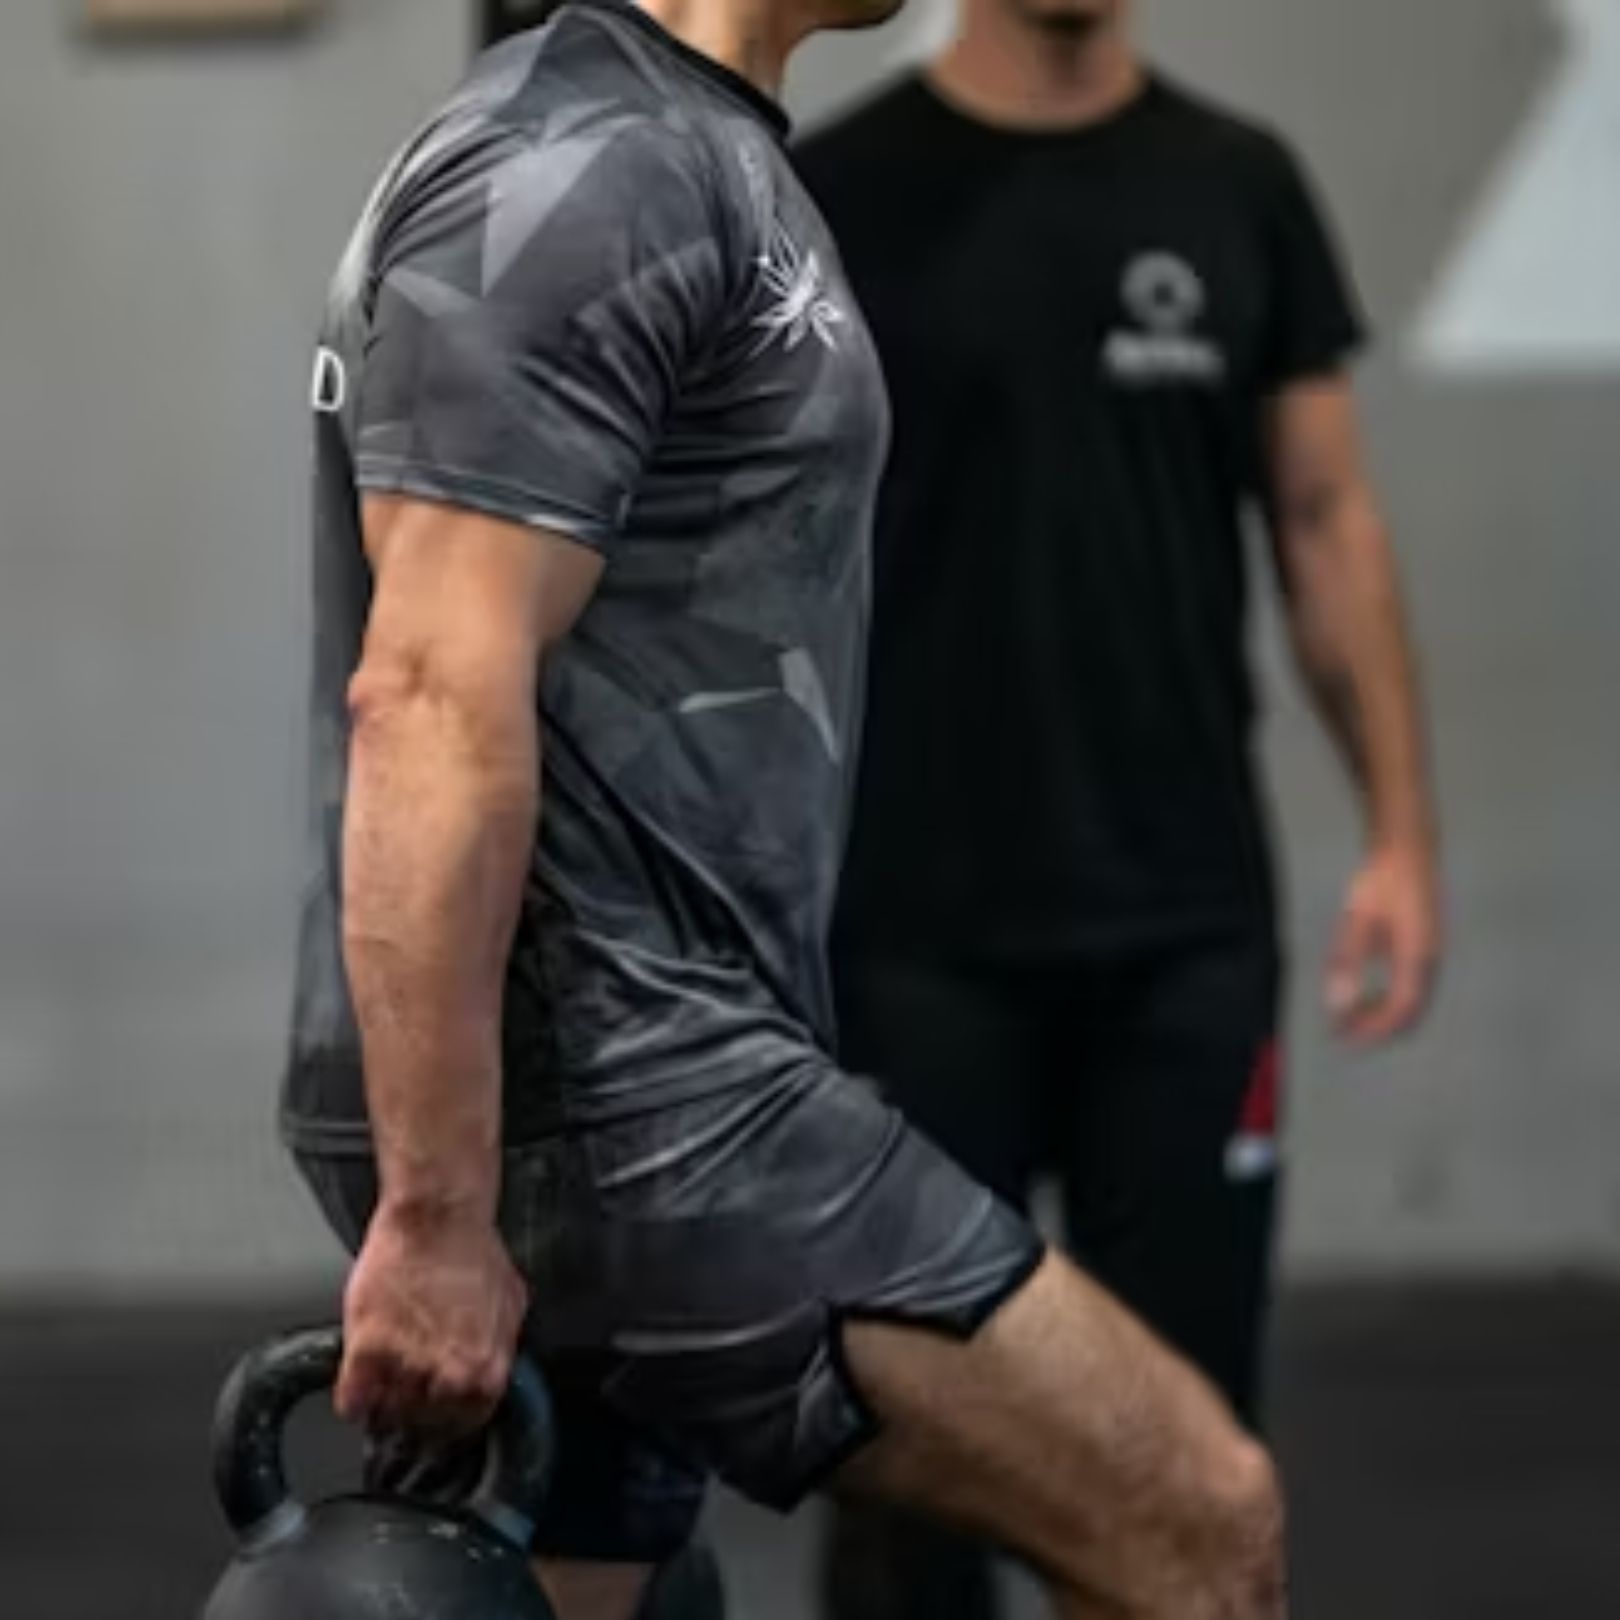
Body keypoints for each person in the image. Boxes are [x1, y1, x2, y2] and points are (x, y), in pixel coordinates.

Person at [280, 1, 1286, 1618]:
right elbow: (427, 691)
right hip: (643, 1109)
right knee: (1196, 1517)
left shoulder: (690, 149)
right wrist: (438, 1211)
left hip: (647, 1082)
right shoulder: (581, 166)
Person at [795, 0, 1442, 1613]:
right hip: (912, 937)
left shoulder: (1238, 183)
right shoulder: (841, 192)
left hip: (1187, 933)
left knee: (1192, 1459)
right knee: (907, 1477)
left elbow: (1324, 520)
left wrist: (1404, 841)